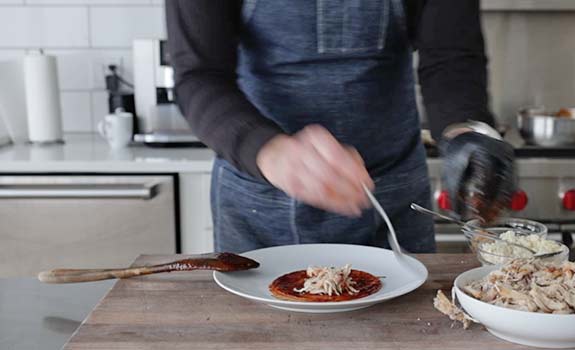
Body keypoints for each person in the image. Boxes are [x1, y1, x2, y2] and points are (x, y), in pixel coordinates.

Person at [165, 0, 515, 253]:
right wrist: (267, 149)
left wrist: (466, 130)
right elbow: (198, 75)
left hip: (390, 198)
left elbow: (451, 56)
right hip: (261, 204)